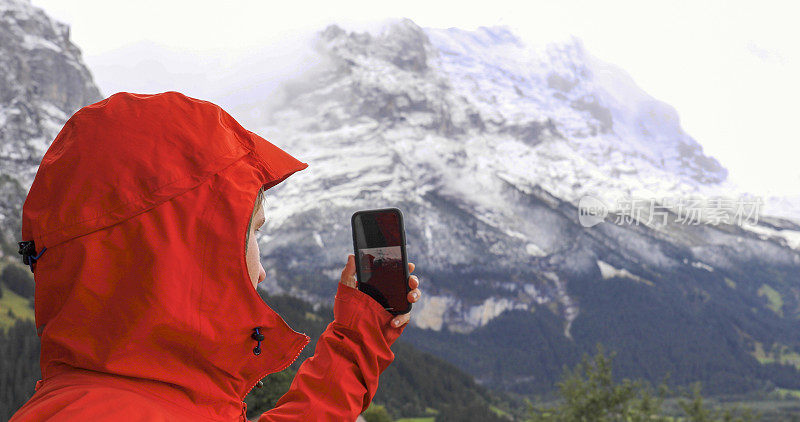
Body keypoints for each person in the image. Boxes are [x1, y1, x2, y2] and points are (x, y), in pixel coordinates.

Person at [10, 91, 422, 421]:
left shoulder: (140, 399)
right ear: (177, 251)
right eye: (253, 232)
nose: (260, 271)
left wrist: (360, 333)